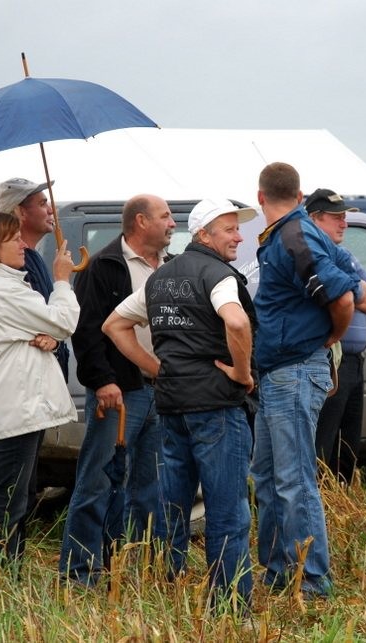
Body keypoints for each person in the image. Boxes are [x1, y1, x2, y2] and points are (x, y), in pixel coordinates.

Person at [103, 197, 257, 608]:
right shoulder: (219, 276)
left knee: (172, 506)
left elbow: (114, 325)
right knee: (227, 509)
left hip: (171, 405)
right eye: (230, 229)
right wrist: (242, 374)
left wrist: (157, 370)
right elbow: (237, 321)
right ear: (203, 234)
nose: (239, 237)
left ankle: (167, 589)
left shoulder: (159, 278)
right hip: (216, 406)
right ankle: (229, 604)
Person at [250, 162, 366, 598]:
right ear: (299, 197)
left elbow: (343, 296)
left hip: (295, 367)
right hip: (279, 370)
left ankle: (312, 578)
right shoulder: (293, 234)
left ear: (260, 197)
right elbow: (356, 287)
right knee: (266, 475)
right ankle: (280, 570)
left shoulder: (295, 236)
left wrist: (332, 336)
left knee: (294, 478)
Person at [59, 194, 173, 588]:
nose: (172, 224)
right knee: (98, 481)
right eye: (165, 217)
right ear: (141, 221)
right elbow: (86, 329)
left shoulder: (171, 267)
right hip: (119, 392)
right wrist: (102, 380)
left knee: (151, 488)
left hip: (161, 391)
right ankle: (79, 574)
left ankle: (143, 571)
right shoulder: (104, 266)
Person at [0, 211, 79, 565]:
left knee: (3, 495)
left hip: (5, 406)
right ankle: (2, 576)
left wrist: (49, 338)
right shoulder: (3, 291)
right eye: (14, 239)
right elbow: (64, 320)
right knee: (11, 499)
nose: (23, 245)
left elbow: (44, 330)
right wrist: (61, 281)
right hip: (16, 408)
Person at [306, 188, 366, 485]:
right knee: (323, 446)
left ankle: (340, 505)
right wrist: (356, 292)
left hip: (353, 362)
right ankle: (321, 505)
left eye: (345, 217)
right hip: (331, 361)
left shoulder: (345, 256)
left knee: (347, 448)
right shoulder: (314, 257)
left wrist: (354, 293)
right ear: (314, 219)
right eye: (337, 217)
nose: (345, 223)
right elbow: (344, 298)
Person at [0, 177, 70, 378]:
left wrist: (54, 340)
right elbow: (49, 324)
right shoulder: (16, 267)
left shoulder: (32, 257)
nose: (51, 210)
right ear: (21, 212)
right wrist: (62, 279)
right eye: (43, 203)